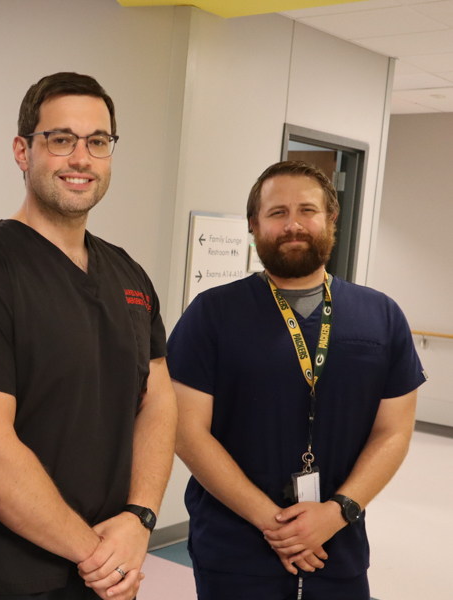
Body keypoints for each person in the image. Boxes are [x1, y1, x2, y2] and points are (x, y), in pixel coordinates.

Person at [0, 72, 177, 600]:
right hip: (17, 577)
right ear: (22, 150)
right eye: (61, 139)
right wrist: (99, 556)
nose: (81, 158)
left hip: (112, 565)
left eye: (98, 142)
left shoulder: (129, 275)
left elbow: (159, 401)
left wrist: (140, 518)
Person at [167, 161, 427, 599]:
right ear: (254, 225)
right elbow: (186, 432)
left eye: (307, 210)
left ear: (331, 219)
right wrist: (273, 522)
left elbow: (394, 431)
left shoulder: (381, 317)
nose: (293, 225)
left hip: (337, 546)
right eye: (276, 213)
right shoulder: (211, 315)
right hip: (235, 552)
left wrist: (337, 512)